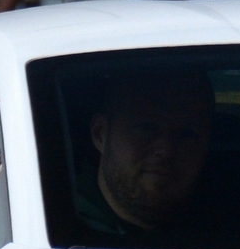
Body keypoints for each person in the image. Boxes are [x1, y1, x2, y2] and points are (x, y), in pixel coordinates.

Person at [79, 68, 213, 240]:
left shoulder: (232, 226)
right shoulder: (51, 224)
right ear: (100, 134)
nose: (167, 150)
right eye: (147, 128)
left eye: (187, 134)